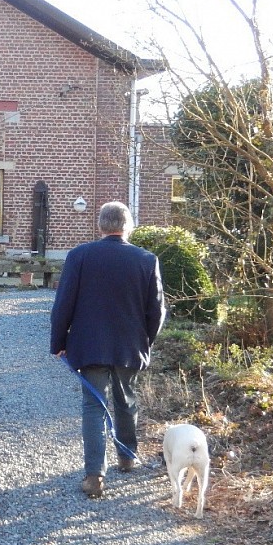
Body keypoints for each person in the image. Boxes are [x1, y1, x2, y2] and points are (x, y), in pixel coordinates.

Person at [50, 201, 166, 499]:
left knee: (93, 406)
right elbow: (157, 311)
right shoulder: (146, 259)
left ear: (101, 226)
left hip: (89, 345)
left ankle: (94, 475)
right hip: (129, 344)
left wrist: (59, 342)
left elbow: (64, 303)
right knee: (126, 398)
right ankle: (127, 457)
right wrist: (146, 340)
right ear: (128, 227)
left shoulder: (79, 256)